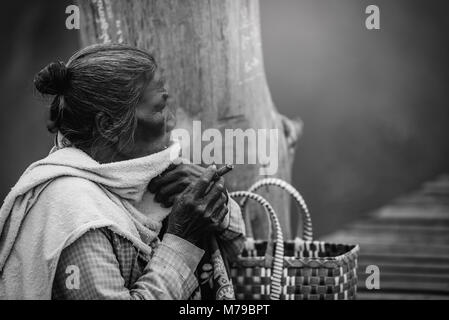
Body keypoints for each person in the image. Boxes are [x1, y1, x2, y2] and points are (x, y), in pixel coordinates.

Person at [0, 44, 245, 300]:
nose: (171, 121)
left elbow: (238, 251)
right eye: (159, 109)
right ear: (107, 126)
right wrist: (183, 239)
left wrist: (217, 204)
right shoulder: (76, 214)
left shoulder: (142, 179)